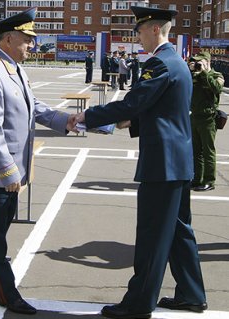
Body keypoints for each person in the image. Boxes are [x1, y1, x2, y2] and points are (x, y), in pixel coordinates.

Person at [77, 7, 207, 319]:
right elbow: (163, 110)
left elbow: (135, 102)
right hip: (178, 161)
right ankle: (191, 293)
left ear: (153, 29)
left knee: (152, 234)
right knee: (178, 231)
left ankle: (139, 303)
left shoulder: (159, 63)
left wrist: (85, 117)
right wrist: (132, 124)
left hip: (162, 164)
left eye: (139, 31)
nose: (137, 37)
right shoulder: (177, 62)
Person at [0, 7, 79, 315]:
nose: (32, 46)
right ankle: (7, 294)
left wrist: (66, 120)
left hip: (11, 170)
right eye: (27, 40)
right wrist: (6, 171)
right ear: (9, 38)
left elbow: (31, 105)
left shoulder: (13, 67)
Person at [188, 52, 224, 192]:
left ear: (208, 62)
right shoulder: (195, 76)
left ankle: (209, 180)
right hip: (194, 117)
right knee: (196, 151)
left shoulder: (217, 76)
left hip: (208, 119)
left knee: (208, 151)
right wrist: (190, 70)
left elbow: (216, 88)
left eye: (200, 62)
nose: (197, 64)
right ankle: (197, 179)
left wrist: (204, 72)